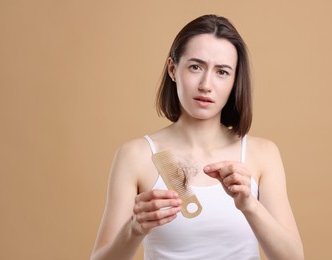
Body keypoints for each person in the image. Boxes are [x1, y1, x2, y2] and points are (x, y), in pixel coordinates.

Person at [91, 14, 304, 260]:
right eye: (195, 67)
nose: (206, 84)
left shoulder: (262, 154)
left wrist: (250, 206)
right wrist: (134, 229)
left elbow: (294, 258)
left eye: (222, 72)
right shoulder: (135, 156)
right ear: (173, 69)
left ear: (234, 81)